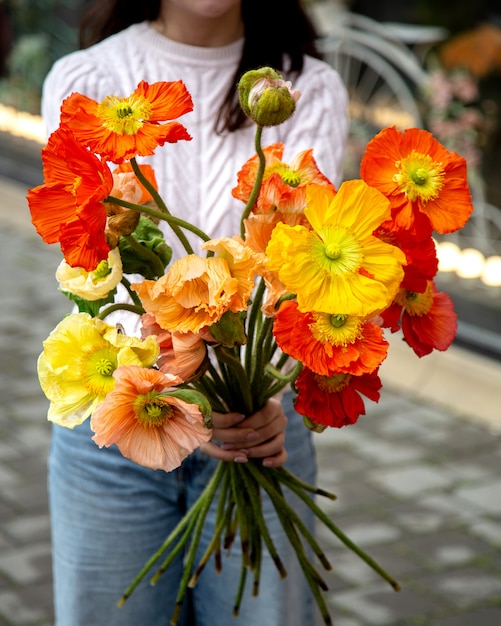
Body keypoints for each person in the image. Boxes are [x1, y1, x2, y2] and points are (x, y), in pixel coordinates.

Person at [42, 1, 349, 625]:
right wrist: (185, 400)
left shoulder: (307, 88)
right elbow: (94, 269)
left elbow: (302, 272)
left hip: (256, 419)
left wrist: (250, 397)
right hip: (117, 422)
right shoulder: (84, 82)